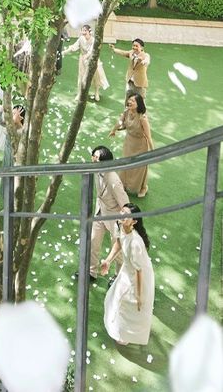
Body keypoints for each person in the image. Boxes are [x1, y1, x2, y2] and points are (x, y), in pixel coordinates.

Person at [100, 203, 155, 346]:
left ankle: (127, 334)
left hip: (138, 275)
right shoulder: (120, 226)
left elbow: (139, 271)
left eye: (126, 215)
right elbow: (119, 242)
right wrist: (108, 261)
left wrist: (139, 295)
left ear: (134, 221)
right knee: (117, 297)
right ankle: (119, 328)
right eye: (122, 212)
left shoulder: (136, 243)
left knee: (131, 304)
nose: (122, 215)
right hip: (127, 270)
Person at [88, 146, 129, 282]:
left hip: (114, 217)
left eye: (97, 158)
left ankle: (118, 276)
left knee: (117, 250)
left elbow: (125, 203)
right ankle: (91, 272)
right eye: (93, 156)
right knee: (93, 241)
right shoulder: (96, 170)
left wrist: (124, 223)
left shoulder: (113, 181)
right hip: (100, 212)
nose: (93, 160)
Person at [109, 92, 154, 197]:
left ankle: (143, 187)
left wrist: (153, 150)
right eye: (129, 99)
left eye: (133, 100)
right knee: (126, 164)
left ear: (139, 104)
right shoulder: (127, 112)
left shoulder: (143, 118)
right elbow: (120, 122)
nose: (129, 102)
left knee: (139, 167)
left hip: (140, 145)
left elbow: (148, 136)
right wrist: (113, 130)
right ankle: (124, 184)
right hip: (129, 142)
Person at [64, 25, 109, 101]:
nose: (83, 32)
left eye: (85, 30)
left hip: (93, 59)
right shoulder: (81, 39)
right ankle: (79, 93)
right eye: (82, 30)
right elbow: (74, 46)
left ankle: (96, 92)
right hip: (82, 60)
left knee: (96, 76)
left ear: (89, 31)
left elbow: (91, 51)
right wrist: (65, 51)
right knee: (81, 76)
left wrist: (87, 56)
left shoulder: (93, 40)